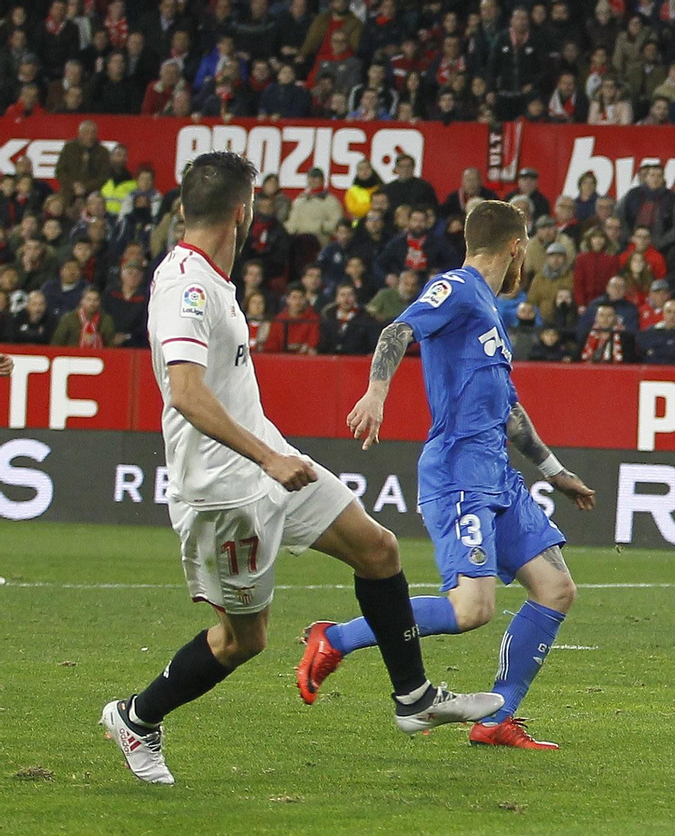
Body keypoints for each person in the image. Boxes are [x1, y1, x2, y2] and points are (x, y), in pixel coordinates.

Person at [101, 153, 500, 786]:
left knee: (378, 549)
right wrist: (267, 457)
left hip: (267, 462)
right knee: (243, 641)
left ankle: (414, 698)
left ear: (182, 209)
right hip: (224, 489)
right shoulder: (187, 288)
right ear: (244, 212)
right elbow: (184, 392)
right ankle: (135, 717)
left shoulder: (209, 275)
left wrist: (271, 454)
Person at [305, 201, 597, 751]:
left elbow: (508, 411)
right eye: (526, 251)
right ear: (516, 248)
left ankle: (496, 718)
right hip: (459, 470)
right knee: (472, 610)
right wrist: (376, 391)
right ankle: (335, 637)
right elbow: (397, 331)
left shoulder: (490, 308)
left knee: (557, 588)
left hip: (500, 474)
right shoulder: (457, 288)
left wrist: (555, 471)